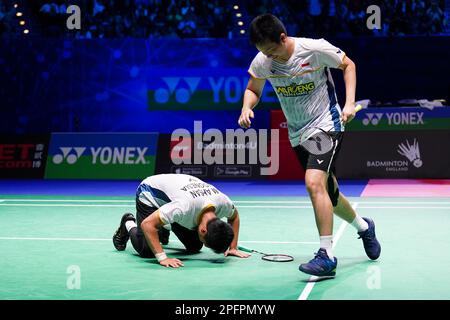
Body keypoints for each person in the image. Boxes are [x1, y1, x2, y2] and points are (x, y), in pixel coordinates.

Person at [238, 14, 381, 277]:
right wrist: (247, 106)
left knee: (314, 182)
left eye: (271, 50)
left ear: (283, 38)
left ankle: (326, 255)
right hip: (297, 133)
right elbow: (254, 89)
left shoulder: (313, 49)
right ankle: (364, 227)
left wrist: (349, 103)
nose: (269, 57)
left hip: (326, 123)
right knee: (330, 195)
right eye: (263, 53)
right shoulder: (264, 60)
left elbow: (348, 64)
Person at [113, 173, 250, 268]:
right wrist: (163, 258)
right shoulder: (183, 207)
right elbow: (147, 225)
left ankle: (164, 225)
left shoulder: (223, 203)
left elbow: (234, 217)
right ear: (203, 230)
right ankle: (128, 223)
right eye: (207, 243)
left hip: (177, 194)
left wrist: (233, 248)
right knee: (147, 251)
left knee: (194, 246)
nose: (205, 245)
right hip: (149, 194)